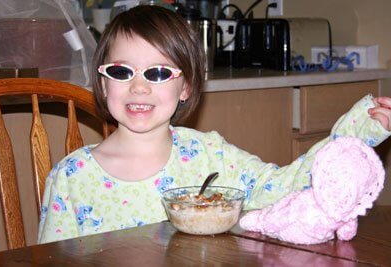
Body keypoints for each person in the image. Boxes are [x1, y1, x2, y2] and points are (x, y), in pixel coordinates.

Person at [38, 5, 391, 244]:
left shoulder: (210, 156)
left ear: (186, 86)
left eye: (159, 72)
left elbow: (288, 186)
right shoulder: (72, 178)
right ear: (102, 83)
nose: (139, 86)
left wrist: (361, 128)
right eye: (121, 71)